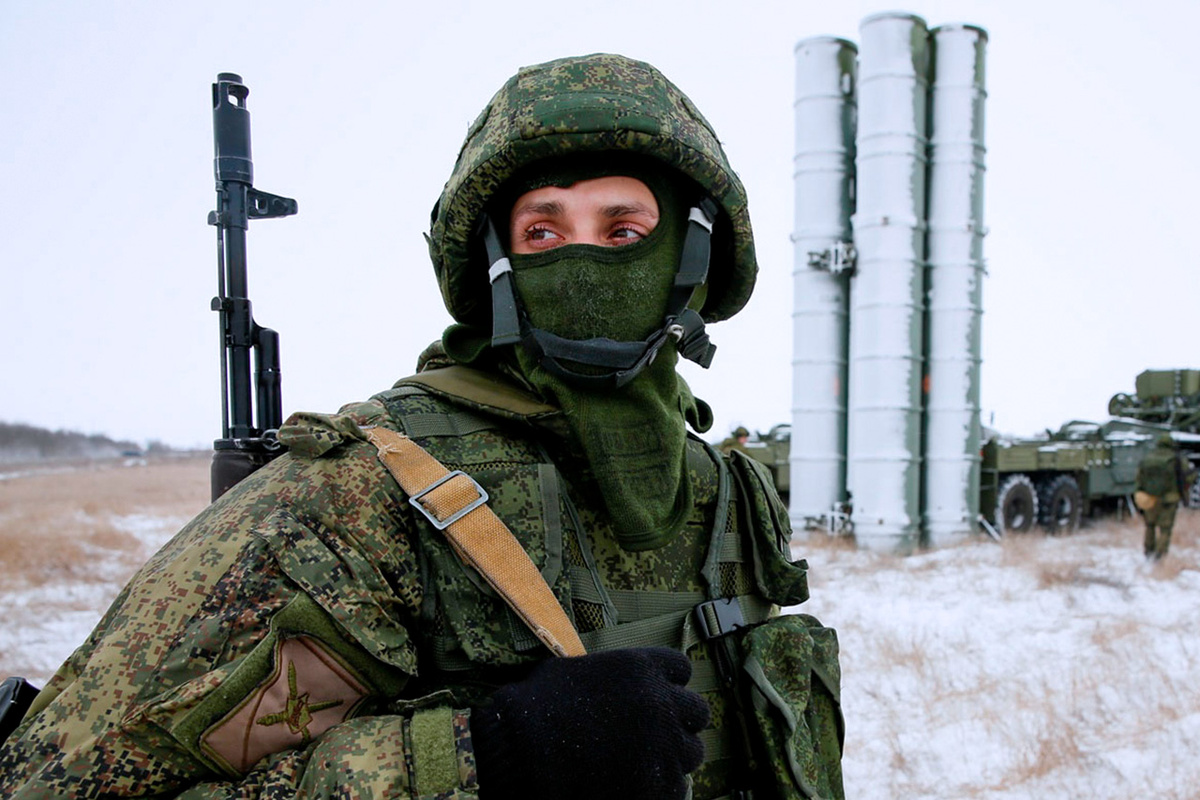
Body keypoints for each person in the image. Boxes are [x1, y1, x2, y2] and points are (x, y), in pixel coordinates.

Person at [0, 54, 843, 799]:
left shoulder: (729, 494)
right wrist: (485, 757)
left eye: (625, 230)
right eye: (542, 231)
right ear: (496, 265)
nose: (584, 262)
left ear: (693, 259)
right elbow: (53, 785)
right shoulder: (358, 496)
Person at [1135, 434, 1195, 560]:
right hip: (1169, 499)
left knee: (1150, 526)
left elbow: (1139, 479)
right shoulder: (1176, 459)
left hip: (1150, 498)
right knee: (1165, 529)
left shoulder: (1148, 457)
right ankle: (1160, 556)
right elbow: (1187, 477)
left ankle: (1148, 552)